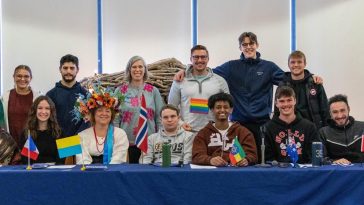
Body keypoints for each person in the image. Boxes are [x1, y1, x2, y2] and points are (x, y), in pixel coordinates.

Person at [175, 32, 323, 162]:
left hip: (262, 125)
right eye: (244, 44)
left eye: (251, 43)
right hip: (238, 125)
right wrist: (185, 70)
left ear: (257, 45)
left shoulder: (268, 67)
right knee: (237, 161)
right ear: (240, 48)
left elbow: (289, 79)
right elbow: (205, 70)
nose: (248, 47)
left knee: (260, 160)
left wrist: (310, 77)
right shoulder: (231, 66)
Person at [114, 56, 164, 163]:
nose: (137, 70)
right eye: (134, 67)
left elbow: (160, 117)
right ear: (129, 70)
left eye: (140, 67)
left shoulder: (153, 91)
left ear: (145, 70)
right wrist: (116, 139)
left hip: (149, 143)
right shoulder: (120, 91)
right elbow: (115, 118)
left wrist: (160, 139)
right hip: (126, 143)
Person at [168, 45, 229, 132]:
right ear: (191, 59)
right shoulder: (179, 80)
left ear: (208, 59)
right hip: (187, 132)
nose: (200, 60)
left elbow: (228, 106)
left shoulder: (220, 81)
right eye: (196, 57)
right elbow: (171, 106)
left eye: (203, 57)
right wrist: (180, 123)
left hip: (213, 132)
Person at [192, 93, 257, 166]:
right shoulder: (203, 133)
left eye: (226, 107)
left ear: (231, 110)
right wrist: (210, 160)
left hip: (236, 173)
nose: (222, 110)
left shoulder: (243, 132)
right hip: (212, 174)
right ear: (212, 110)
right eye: (218, 107)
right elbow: (196, 156)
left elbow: (253, 155)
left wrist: (246, 160)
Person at [75, 85, 129, 164]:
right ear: (93, 114)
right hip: (89, 173)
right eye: (100, 110)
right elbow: (82, 160)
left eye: (107, 111)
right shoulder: (82, 136)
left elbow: (118, 159)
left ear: (112, 115)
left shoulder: (120, 134)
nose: (104, 114)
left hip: (112, 173)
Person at [265, 86, 318, 164]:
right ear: (276, 104)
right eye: (282, 101)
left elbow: (314, 156)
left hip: (304, 172)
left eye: (289, 100)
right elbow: (268, 158)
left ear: (295, 101)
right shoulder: (267, 128)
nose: (286, 104)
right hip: (278, 173)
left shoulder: (309, 127)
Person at [277, 50, 329, 129]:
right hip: (291, 129)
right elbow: (277, 111)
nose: (296, 65)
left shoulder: (315, 84)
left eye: (299, 62)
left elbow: (325, 109)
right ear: (288, 65)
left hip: (314, 129)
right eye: (293, 62)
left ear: (305, 64)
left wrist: (326, 130)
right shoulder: (282, 86)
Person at [46, 54, 90, 138]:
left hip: (80, 140)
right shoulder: (50, 95)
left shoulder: (86, 95)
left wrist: (77, 137)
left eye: (72, 68)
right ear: (60, 69)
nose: (68, 71)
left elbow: (88, 120)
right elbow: (48, 120)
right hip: (57, 140)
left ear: (77, 70)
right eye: (65, 68)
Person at [0, 65, 41, 146]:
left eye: (26, 76)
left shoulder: (38, 97)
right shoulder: (5, 97)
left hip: (31, 144)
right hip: (10, 144)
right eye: (19, 76)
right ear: (14, 77)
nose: (22, 79)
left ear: (31, 78)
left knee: (29, 159)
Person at [319, 94, 364, 164]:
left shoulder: (362, 128)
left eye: (342, 110)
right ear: (330, 113)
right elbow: (320, 158)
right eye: (335, 112)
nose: (339, 115)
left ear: (348, 109)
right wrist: (334, 161)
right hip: (336, 173)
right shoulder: (323, 133)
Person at [19, 96, 64, 164]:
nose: (43, 111)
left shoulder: (60, 133)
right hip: (33, 172)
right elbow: (25, 160)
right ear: (34, 110)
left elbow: (62, 161)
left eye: (47, 108)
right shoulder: (26, 133)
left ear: (51, 111)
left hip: (54, 171)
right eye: (40, 108)